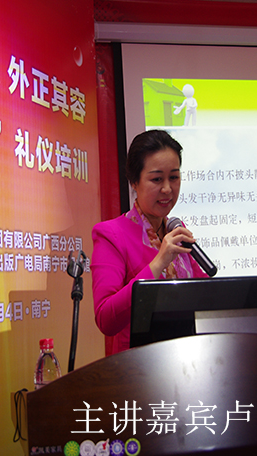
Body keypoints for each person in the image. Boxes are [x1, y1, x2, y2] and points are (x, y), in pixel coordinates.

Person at [91, 130, 207, 354]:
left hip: (187, 361)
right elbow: (106, 318)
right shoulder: (111, 234)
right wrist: (158, 264)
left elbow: (205, 296)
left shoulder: (176, 231)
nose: (167, 189)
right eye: (156, 179)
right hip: (137, 367)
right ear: (134, 182)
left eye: (174, 177)